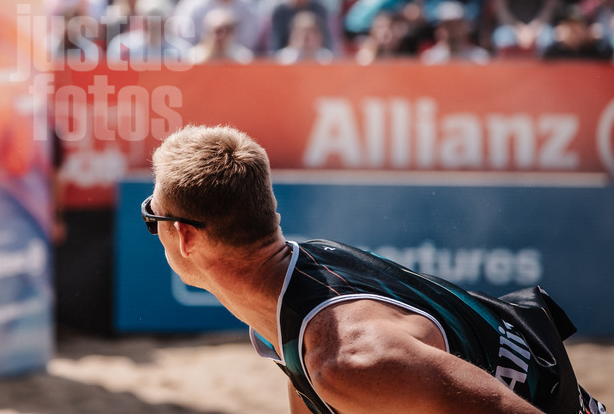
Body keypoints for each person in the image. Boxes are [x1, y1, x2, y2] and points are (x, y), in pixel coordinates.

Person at [146, 125, 608, 414]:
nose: (151, 222)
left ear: (185, 236)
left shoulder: (349, 358)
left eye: (153, 215)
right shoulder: (299, 283)